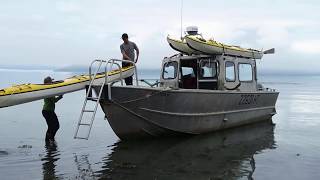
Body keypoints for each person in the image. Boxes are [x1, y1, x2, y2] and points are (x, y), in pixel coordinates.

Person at [42, 76, 63, 142]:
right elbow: (54, 100)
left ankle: (50, 139)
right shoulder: (48, 91)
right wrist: (60, 96)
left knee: (56, 126)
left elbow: (53, 99)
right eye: (51, 81)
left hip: (49, 111)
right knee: (53, 126)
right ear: (48, 83)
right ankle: (49, 140)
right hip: (47, 111)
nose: (52, 82)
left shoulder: (50, 90)